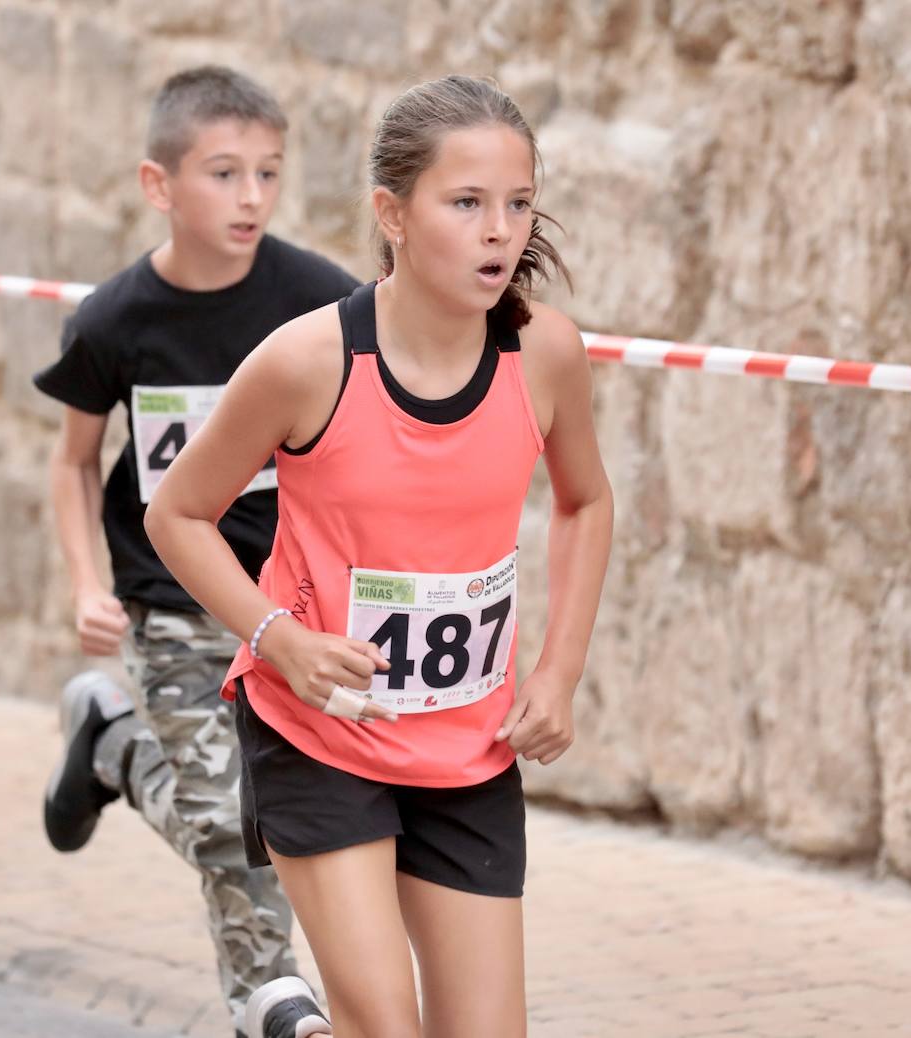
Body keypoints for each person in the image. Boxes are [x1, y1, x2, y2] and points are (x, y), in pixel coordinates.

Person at [145, 75, 615, 1038]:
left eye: (519, 204)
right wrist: (279, 640)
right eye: (467, 203)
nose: (500, 232)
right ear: (392, 215)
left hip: (468, 748)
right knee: (388, 1026)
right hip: (322, 733)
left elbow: (587, 500)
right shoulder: (307, 363)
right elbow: (178, 515)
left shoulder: (546, 356)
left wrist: (559, 670)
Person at [32, 65, 359, 1037]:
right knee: (225, 817)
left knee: (287, 810)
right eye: (223, 173)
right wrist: (86, 582)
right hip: (173, 605)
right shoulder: (114, 321)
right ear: (158, 185)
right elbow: (75, 463)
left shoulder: (319, 300)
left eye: (269, 172)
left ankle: (113, 745)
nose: (251, 196)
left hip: (294, 609)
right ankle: (274, 1001)